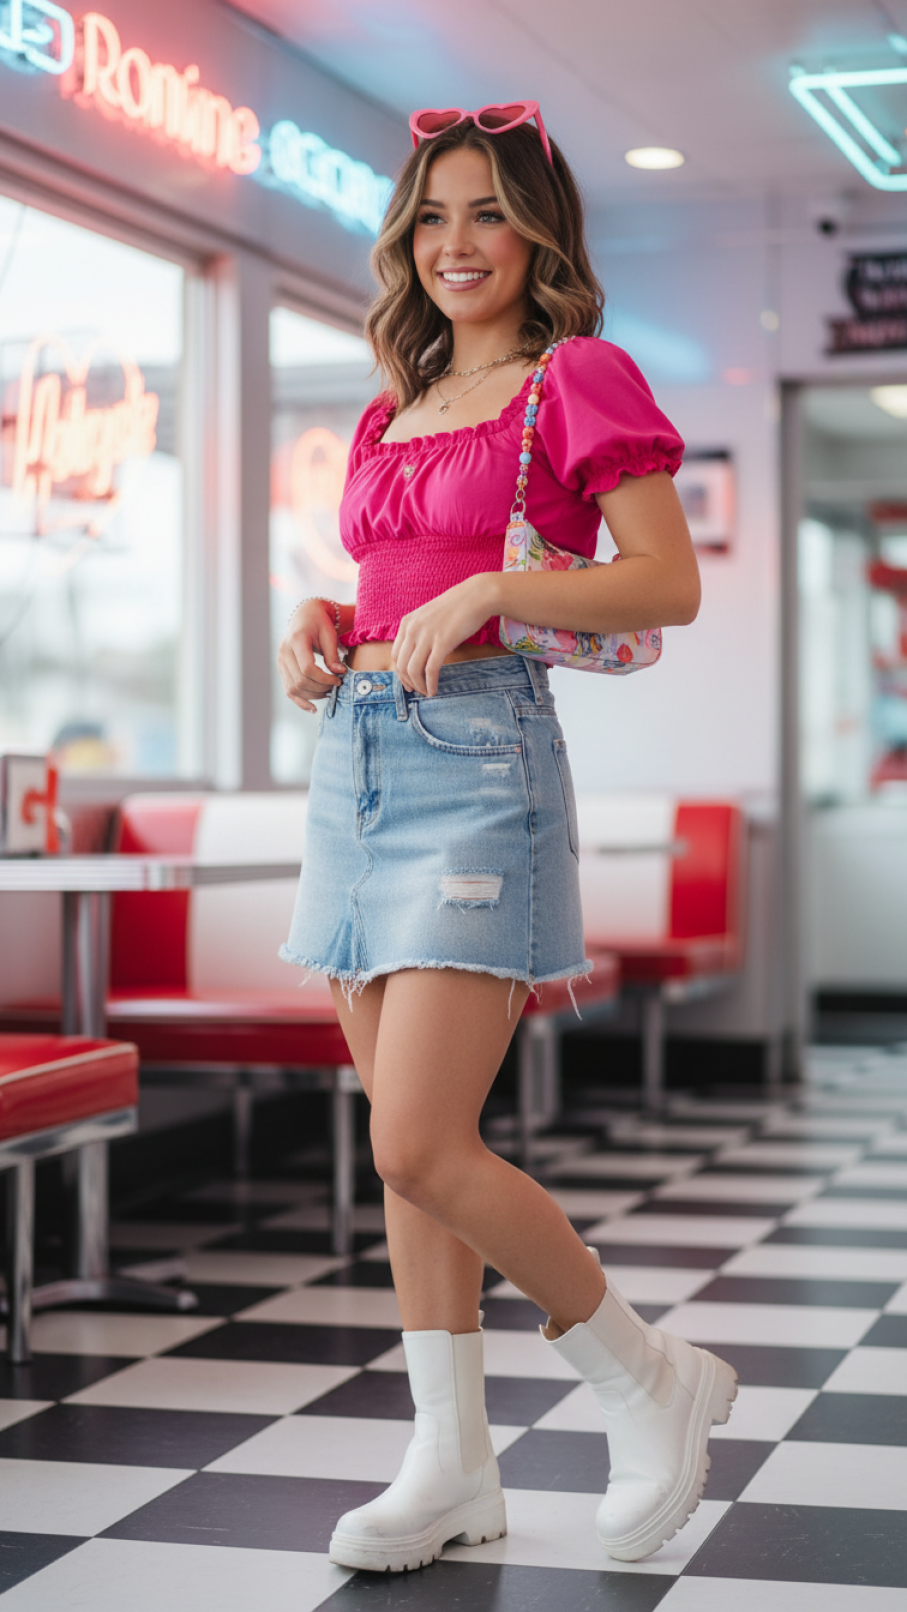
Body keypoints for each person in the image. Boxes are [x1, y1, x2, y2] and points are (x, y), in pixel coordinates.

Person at [277, 102, 736, 1574]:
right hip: (356, 756)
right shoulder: (387, 405)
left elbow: (664, 585)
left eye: (485, 213)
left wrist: (495, 597)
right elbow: (393, 575)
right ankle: (449, 1461)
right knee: (405, 1156)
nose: (456, 244)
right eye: (431, 217)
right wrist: (324, 622)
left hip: (479, 761)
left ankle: (645, 1378)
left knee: (417, 1134)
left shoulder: (576, 377)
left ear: (536, 232)